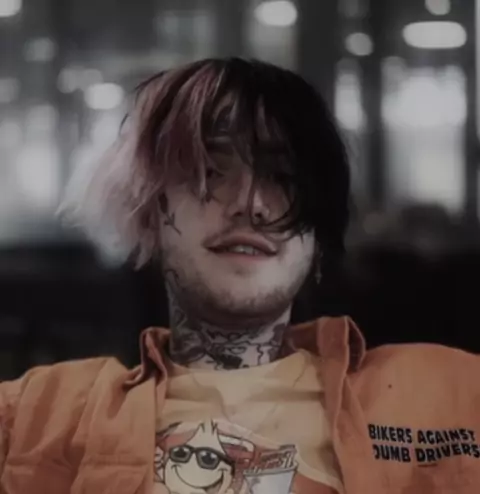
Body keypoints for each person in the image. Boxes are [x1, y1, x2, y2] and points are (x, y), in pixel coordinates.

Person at [0, 57, 479, 494]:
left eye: (283, 177)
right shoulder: (35, 417)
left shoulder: (451, 394)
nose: (251, 204)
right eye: (211, 170)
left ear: (317, 238)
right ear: (147, 211)